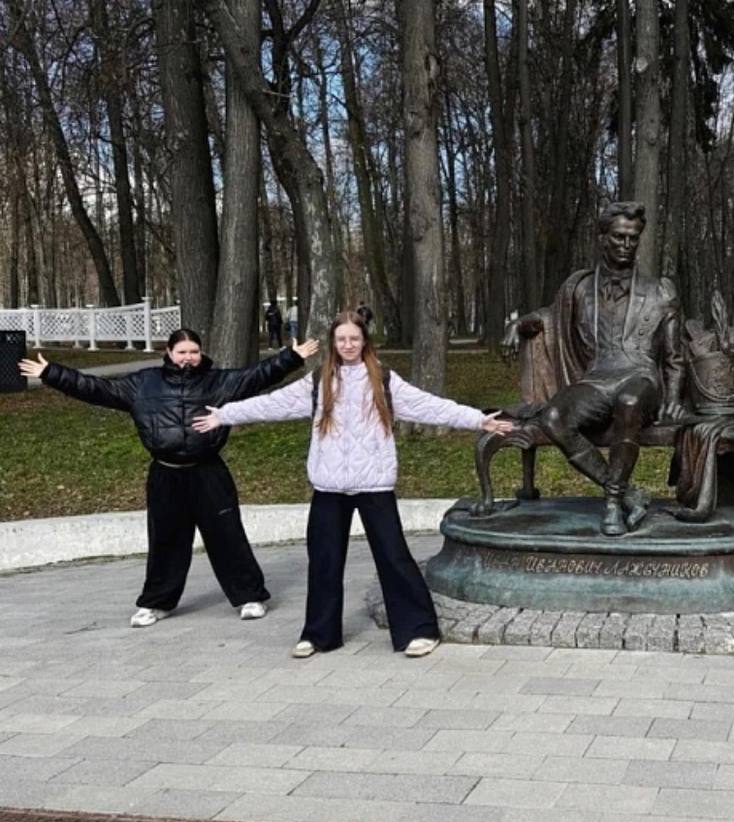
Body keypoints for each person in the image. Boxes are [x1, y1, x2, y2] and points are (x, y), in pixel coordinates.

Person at [193, 311, 513, 658]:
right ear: (334, 342)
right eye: (342, 339)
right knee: (324, 561)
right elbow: (273, 403)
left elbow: (428, 406)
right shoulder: (318, 381)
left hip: (374, 486)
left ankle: (417, 629)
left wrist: (477, 419)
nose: (348, 345)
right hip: (329, 488)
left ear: (364, 342)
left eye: (354, 339)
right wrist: (224, 415)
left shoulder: (384, 380)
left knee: (393, 557)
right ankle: (319, 634)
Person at [18, 329, 319, 627]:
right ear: (169, 353)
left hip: (208, 473)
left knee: (227, 536)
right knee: (166, 540)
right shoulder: (143, 384)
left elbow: (258, 375)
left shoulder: (220, 382)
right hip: (165, 474)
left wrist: (291, 357)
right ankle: (156, 603)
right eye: (182, 352)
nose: (188, 358)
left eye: (193, 352)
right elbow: (95, 388)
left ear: (201, 353)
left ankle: (249, 597)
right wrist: (51, 373)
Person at [503, 201, 685, 535]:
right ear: (602, 238)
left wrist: (673, 396)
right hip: (599, 377)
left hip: (641, 375)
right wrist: (518, 325)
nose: (626, 245)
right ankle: (627, 492)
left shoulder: (660, 290)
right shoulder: (581, 288)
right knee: (553, 417)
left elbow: (673, 356)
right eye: (618, 237)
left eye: (633, 239)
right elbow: (551, 318)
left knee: (629, 403)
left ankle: (613, 503)